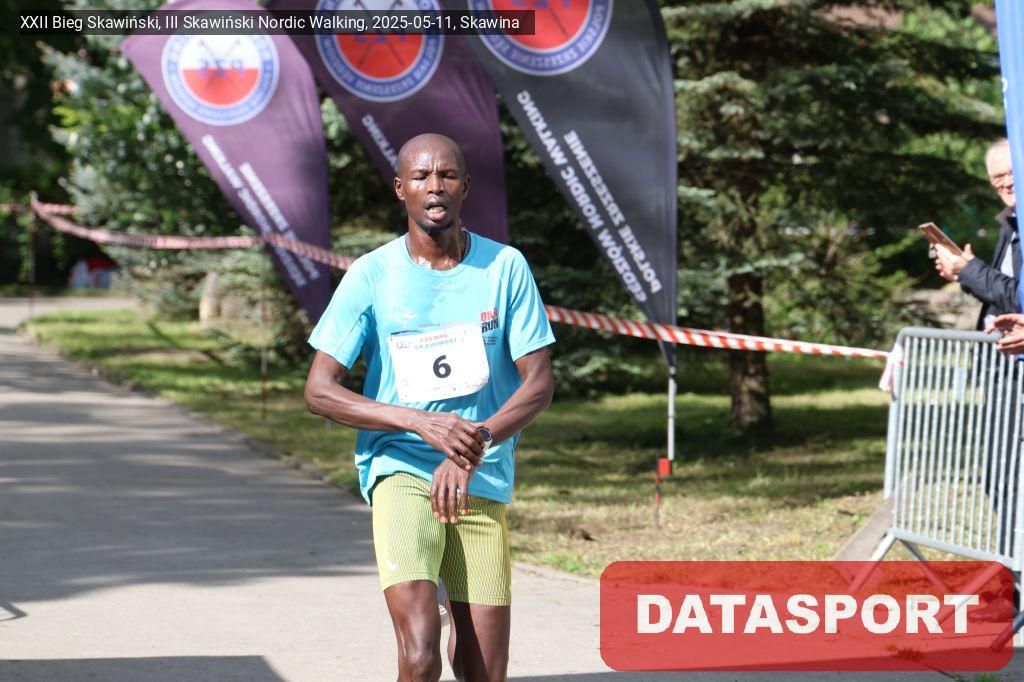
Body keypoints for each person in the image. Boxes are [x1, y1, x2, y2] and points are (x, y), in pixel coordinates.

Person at [304, 133, 556, 682]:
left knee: (482, 671)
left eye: (447, 175)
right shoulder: (373, 274)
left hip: (479, 472)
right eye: (421, 176)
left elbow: (538, 384)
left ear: (466, 187)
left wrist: (473, 443)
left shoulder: (504, 267)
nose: (434, 186)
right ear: (401, 189)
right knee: (419, 657)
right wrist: (420, 421)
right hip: (400, 467)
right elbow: (319, 389)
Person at [933, 138, 1020, 327]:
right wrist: (963, 275)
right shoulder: (1010, 223)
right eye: (999, 176)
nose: (1008, 183)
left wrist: (969, 270)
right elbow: (1003, 296)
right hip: (995, 343)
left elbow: (1020, 299)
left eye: (1013, 172)